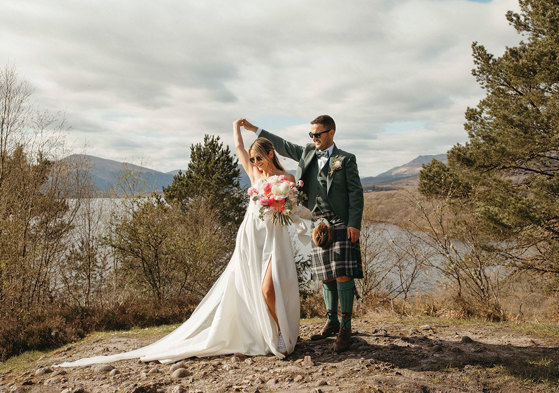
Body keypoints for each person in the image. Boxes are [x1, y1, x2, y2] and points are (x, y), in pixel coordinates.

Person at [55, 119, 300, 367]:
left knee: (270, 288)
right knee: (250, 288)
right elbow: (237, 146)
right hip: (250, 237)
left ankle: (280, 332)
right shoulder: (254, 175)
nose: (256, 163)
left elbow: (293, 209)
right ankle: (264, 332)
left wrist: (282, 205)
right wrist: (239, 126)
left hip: (274, 238)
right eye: (253, 159)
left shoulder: (286, 177)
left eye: (259, 158)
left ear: (270, 154)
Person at [242, 115, 364, 353]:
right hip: (318, 221)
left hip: (340, 221)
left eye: (318, 134)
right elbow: (283, 145)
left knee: (342, 274)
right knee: (327, 275)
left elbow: (355, 192)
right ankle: (332, 321)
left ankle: (346, 328)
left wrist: (354, 223)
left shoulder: (346, 159)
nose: (314, 138)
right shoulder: (308, 152)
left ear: (332, 132)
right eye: (312, 134)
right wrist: (254, 129)